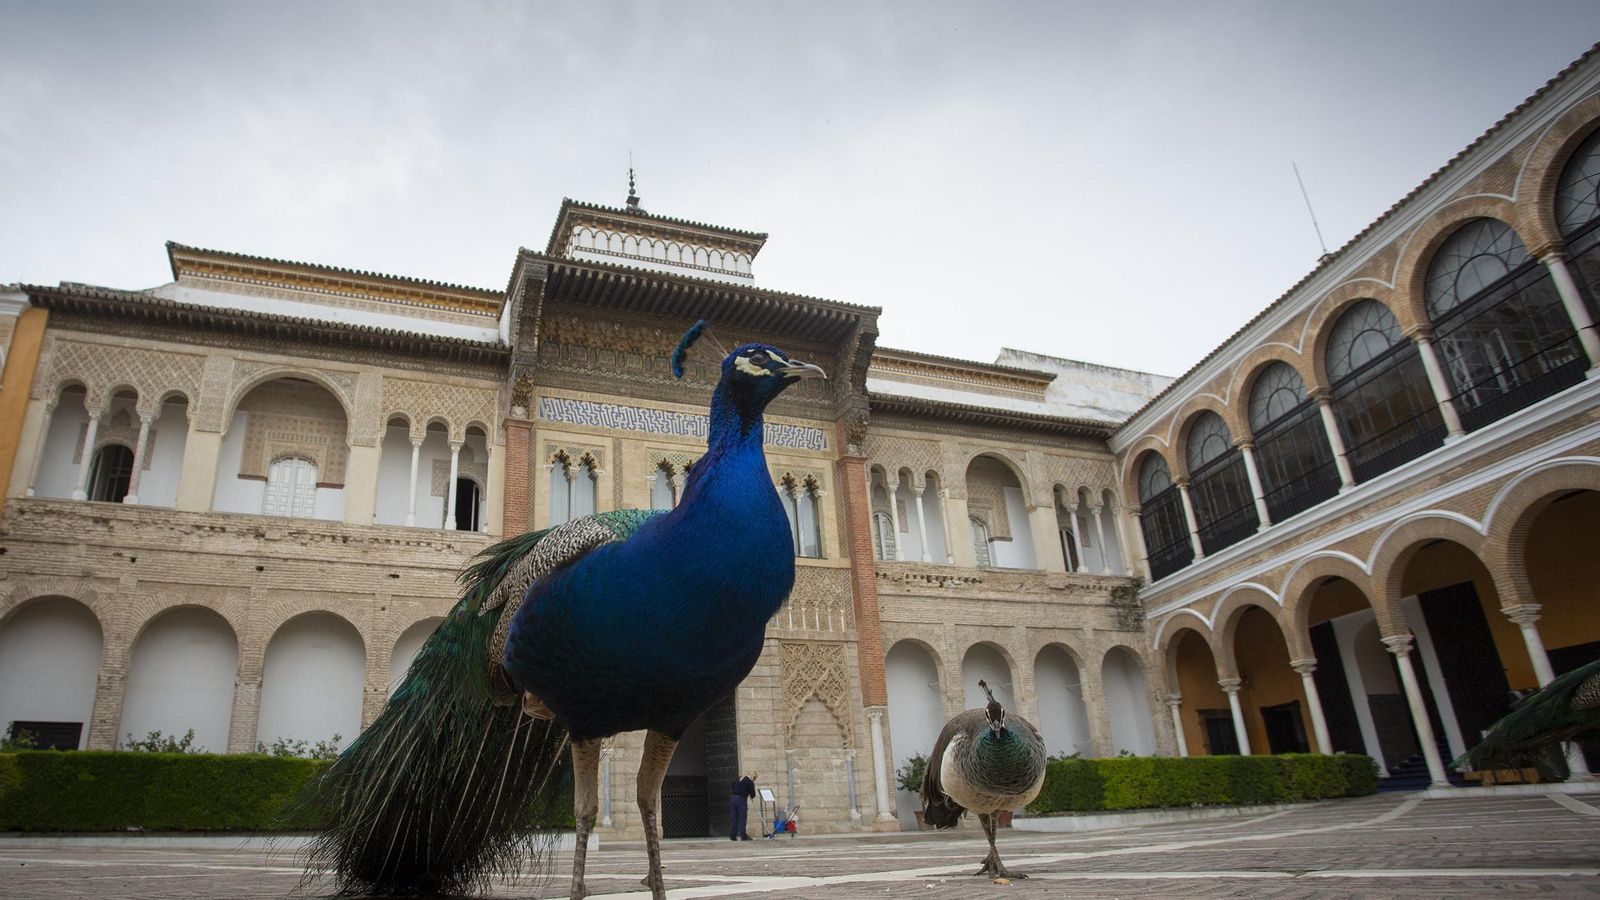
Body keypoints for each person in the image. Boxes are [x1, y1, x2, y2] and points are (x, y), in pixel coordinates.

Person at [729, 771, 757, 841]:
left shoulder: (739, 778)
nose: (754, 780)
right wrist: (749, 794)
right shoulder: (750, 782)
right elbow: (753, 794)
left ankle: (733, 835)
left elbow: (732, 785)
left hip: (733, 798)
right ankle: (743, 835)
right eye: (754, 778)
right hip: (741, 799)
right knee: (742, 818)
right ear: (753, 777)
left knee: (734, 817)